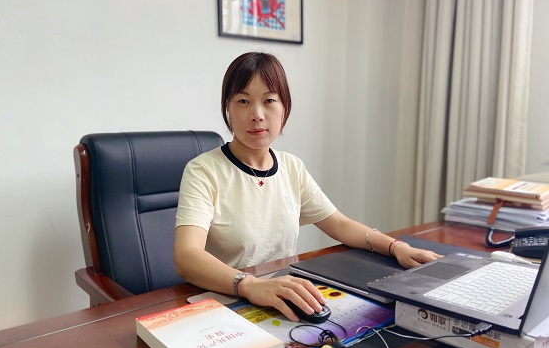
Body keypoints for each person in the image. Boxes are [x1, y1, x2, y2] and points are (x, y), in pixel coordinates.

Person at [174, 52, 441, 322]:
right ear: (227, 109)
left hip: (284, 296)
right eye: (243, 101)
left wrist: (396, 247)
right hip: (226, 303)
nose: (257, 115)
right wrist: (250, 285)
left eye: (269, 101)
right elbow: (186, 257)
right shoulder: (204, 171)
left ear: (284, 108)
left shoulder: (291, 167)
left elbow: (340, 225)